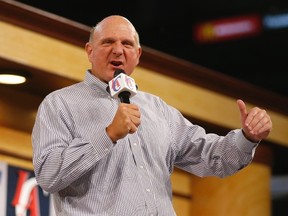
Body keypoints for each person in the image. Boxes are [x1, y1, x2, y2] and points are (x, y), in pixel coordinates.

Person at [31, 15, 272, 216]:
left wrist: (247, 137)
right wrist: (107, 135)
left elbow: (211, 157)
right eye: (107, 42)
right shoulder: (60, 104)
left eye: (126, 44)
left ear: (137, 54)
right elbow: (48, 175)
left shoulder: (158, 109)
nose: (117, 50)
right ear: (89, 50)